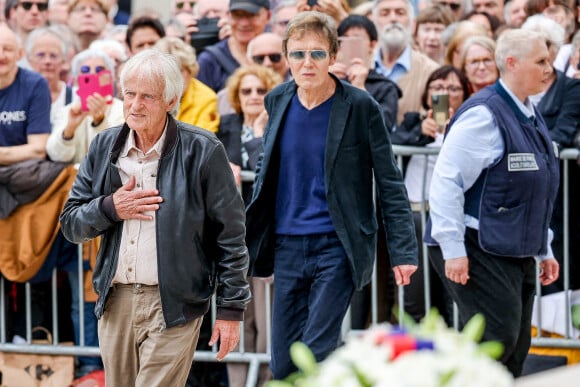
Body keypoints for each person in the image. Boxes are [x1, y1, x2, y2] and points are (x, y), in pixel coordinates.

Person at [59, 49, 251, 386]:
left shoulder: (203, 151)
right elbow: (71, 222)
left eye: (147, 96)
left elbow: (230, 235)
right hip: (116, 299)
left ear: (170, 100)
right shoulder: (104, 147)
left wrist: (232, 309)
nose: (135, 105)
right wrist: (110, 208)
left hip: (174, 302)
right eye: (129, 94)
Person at [245, 11, 418, 379]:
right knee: (283, 361)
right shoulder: (277, 99)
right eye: (297, 54)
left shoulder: (360, 106)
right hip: (288, 245)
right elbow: (267, 169)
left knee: (316, 349)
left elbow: (389, 180)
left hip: (337, 245)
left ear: (333, 56)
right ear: (288, 56)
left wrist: (403, 251)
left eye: (317, 54)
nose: (307, 63)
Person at [427, 29, 560, 377]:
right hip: (477, 245)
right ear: (512, 64)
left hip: (513, 247)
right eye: (541, 61)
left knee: (516, 346)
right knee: (495, 340)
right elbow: (445, 182)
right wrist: (453, 248)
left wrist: (544, 249)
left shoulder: (529, 112)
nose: (550, 68)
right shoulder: (484, 114)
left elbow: (535, 192)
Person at [218, 64, 282, 387]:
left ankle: (268, 382)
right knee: (237, 318)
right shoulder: (226, 125)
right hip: (232, 236)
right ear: (236, 97)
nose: (254, 97)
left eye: (261, 90)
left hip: (267, 235)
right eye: (247, 91)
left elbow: (271, 172)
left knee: (268, 320)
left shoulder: (277, 127)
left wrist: (258, 135)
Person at [398, 65, 471, 324]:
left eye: (453, 88)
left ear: (465, 92)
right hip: (416, 215)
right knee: (414, 295)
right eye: (438, 87)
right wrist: (420, 133)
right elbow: (391, 144)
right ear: (427, 94)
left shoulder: (472, 123)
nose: (445, 93)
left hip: (452, 218)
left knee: (452, 295)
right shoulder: (412, 122)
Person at [47, 49, 124, 163]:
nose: (92, 74)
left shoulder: (122, 109)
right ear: (75, 79)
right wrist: (69, 129)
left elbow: (114, 154)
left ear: (110, 77)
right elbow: (56, 155)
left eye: (99, 70)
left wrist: (99, 123)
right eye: (85, 70)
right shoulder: (68, 111)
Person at [371, 0, 440, 125]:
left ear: (413, 25)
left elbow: (439, 123)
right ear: (373, 23)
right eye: (385, 13)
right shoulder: (359, 67)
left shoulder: (432, 72)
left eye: (400, 13)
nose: (393, 19)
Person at [196, 0, 270, 93]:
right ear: (228, 16)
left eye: (251, 15)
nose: (244, 23)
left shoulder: (278, 56)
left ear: (268, 16)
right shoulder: (209, 61)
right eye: (237, 15)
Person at [154, 37, 220, 133]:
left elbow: (202, 143)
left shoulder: (207, 98)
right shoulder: (148, 93)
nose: (173, 78)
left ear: (190, 70)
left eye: (179, 71)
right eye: (167, 72)